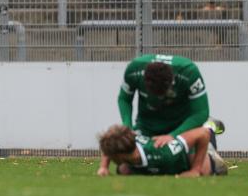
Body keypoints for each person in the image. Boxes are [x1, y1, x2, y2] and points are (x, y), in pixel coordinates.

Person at [101, 53, 225, 174]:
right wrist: (127, 127)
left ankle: (208, 145)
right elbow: (124, 99)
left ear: (171, 82)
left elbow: (201, 112)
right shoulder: (134, 70)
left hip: (180, 126)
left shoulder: (188, 72)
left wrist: (173, 135)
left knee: (203, 170)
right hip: (146, 126)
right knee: (124, 169)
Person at [98, 124, 228, 177]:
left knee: (212, 170)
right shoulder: (126, 142)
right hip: (150, 162)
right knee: (124, 170)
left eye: (109, 155)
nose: (105, 155)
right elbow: (112, 139)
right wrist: (103, 167)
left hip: (187, 157)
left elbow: (202, 134)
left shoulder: (165, 153)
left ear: (120, 155)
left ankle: (209, 128)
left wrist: (195, 170)